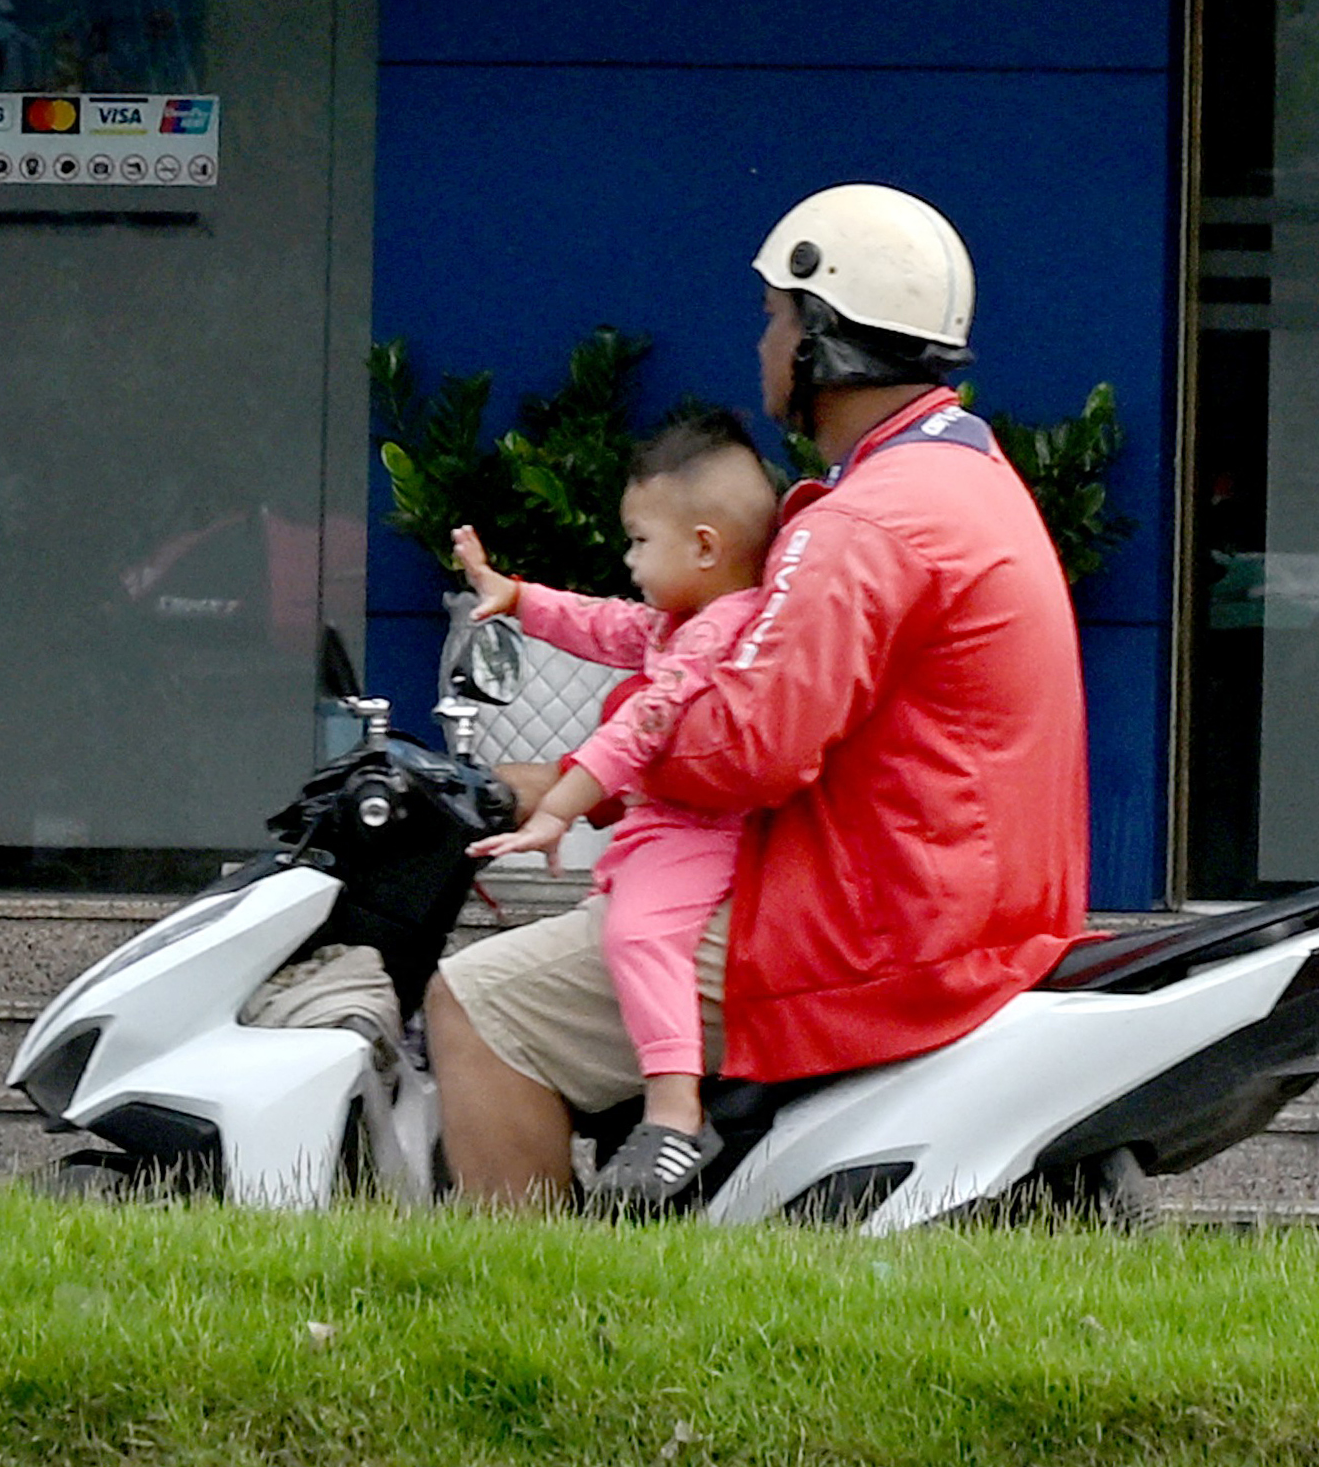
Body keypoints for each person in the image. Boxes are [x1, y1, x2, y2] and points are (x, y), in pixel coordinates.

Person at [427, 186, 1090, 1206]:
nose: (763, 342)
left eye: (778, 317)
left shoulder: (862, 523)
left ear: (824, 341)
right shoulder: (967, 472)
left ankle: (543, 1317)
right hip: (970, 909)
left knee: (476, 1001)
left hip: (872, 926)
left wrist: (611, 739)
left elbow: (743, 748)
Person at [448, 407, 784, 1215]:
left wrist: (558, 807)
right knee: (628, 928)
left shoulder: (719, 633)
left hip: (696, 838)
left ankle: (672, 1112)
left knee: (639, 937)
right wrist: (518, 597)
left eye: (638, 541)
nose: (627, 559)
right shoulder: (683, 618)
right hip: (662, 835)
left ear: (704, 546)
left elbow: (645, 723)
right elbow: (605, 623)